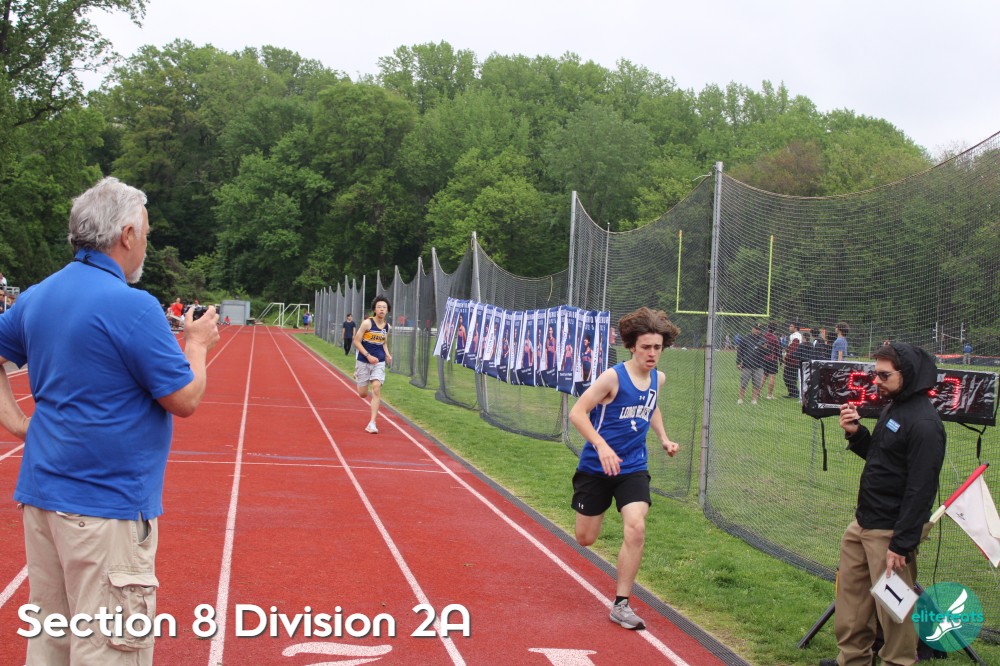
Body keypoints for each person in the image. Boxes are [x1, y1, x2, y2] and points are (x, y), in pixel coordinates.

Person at [0, 177, 219, 665]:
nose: (146, 244)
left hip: (42, 500)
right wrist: (197, 344)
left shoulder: (38, 295)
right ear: (126, 234)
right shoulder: (132, 306)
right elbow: (184, 399)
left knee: (51, 643)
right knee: (109, 650)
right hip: (106, 509)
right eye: (146, 233)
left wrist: (18, 425)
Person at [822, 342, 945, 666]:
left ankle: (899, 661)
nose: (876, 381)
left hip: (890, 532)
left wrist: (901, 543)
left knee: (895, 610)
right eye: (875, 374)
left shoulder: (925, 423)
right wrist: (856, 434)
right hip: (863, 522)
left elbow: (921, 490)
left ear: (908, 374)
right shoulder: (894, 408)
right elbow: (882, 460)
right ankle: (852, 660)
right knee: (852, 601)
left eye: (884, 375)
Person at [569, 307, 680, 630]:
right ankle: (596, 511)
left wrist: (664, 438)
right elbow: (577, 413)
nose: (652, 353)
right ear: (632, 346)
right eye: (646, 347)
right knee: (586, 538)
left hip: (632, 467)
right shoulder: (613, 377)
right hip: (597, 467)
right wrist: (601, 445)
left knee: (636, 527)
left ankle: (622, 604)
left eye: (657, 347)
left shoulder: (658, 378)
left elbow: (652, 406)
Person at [353, 295, 392, 434]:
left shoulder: (387, 327)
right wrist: (368, 356)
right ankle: (357, 374)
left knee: (376, 388)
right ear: (374, 309)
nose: (382, 309)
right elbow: (356, 341)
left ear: (387, 310)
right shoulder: (367, 323)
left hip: (379, 362)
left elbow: (384, 343)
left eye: (384, 307)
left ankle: (372, 423)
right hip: (364, 360)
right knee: (363, 394)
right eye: (379, 307)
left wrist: (387, 354)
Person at [736, 322, 765, 404]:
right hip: (746, 365)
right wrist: (738, 362)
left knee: (757, 384)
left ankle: (754, 399)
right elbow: (740, 351)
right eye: (756, 328)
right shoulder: (745, 338)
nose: (757, 330)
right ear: (752, 328)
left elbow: (767, 352)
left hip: (759, 365)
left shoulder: (763, 339)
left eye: (759, 329)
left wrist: (764, 348)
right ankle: (741, 399)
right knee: (743, 383)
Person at [762, 322, 781, 400]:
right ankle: (769, 395)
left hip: (764, 358)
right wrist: (780, 359)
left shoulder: (764, 336)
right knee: (772, 377)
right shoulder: (775, 338)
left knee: (764, 376)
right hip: (772, 359)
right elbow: (777, 349)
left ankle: (758, 392)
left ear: (768, 327)